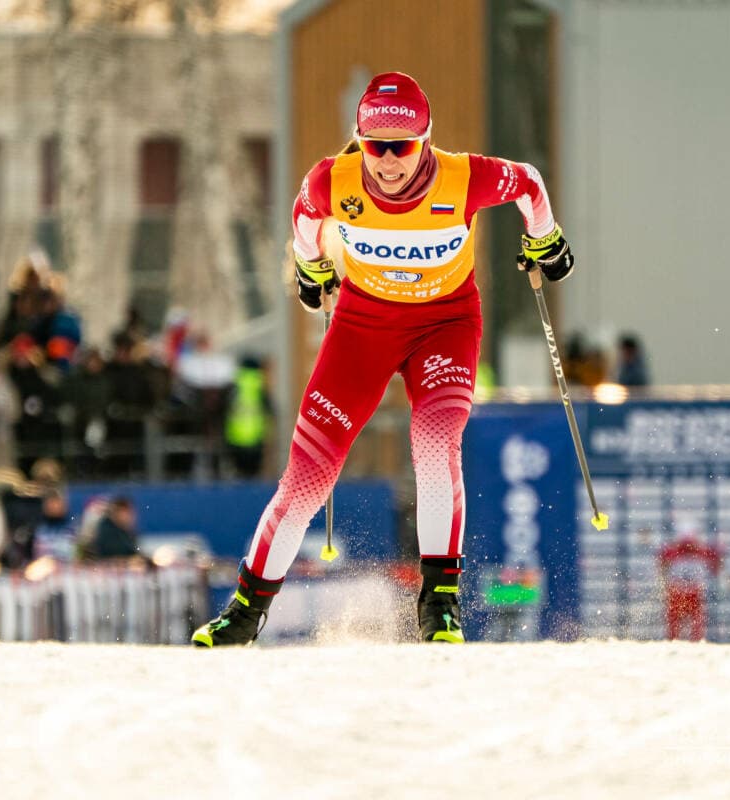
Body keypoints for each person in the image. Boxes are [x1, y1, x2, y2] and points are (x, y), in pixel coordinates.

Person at [193, 72, 575, 647]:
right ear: (361, 141)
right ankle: (245, 614)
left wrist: (544, 238)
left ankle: (439, 605)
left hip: (444, 326)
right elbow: (304, 218)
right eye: (376, 146)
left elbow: (529, 183)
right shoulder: (333, 180)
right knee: (306, 478)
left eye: (403, 146)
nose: (389, 161)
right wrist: (312, 269)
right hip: (362, 329)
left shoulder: (464, 177)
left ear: (425, 140)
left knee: (434, 443)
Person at [658, 523, 722, 641]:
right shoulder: (678, 552)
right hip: (678, 592)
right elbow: (662, 564)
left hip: (691, 593)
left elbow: (716, 564)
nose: (687, 547)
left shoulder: (699, 552)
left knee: (695, 623)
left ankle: (692, 641)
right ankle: (674, 640)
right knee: (674, 623)